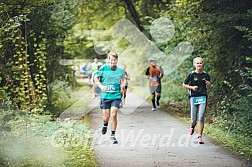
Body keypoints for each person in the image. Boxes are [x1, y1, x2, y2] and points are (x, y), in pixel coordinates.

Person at [93, 52, 126, 144]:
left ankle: (113, 135)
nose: (113, 62)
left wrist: (123, 85)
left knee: (114, 114)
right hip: (105, 96)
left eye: (114, 60)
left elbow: (124, 80)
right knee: (106, 117)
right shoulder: (104, 68)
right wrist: (101, 87)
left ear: (117, 60)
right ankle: (105, 125)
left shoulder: (120, 70)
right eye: (111, 60)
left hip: (116, 96)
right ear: (109, 60)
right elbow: (95, 78)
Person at [183, 57, 211, 144]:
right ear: (194, 65)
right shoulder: (191, 75)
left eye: (200, 63)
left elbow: (208, 84)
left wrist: (208, 84)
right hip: (193, 97)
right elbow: (184, 84)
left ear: (203, 64)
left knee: (201, 116)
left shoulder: (205, 75)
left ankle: (200, 136)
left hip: (203, 96)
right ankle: (192, 126)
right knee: (193, 118)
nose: (199, 65)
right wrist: (192, 87)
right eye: (197, 63)